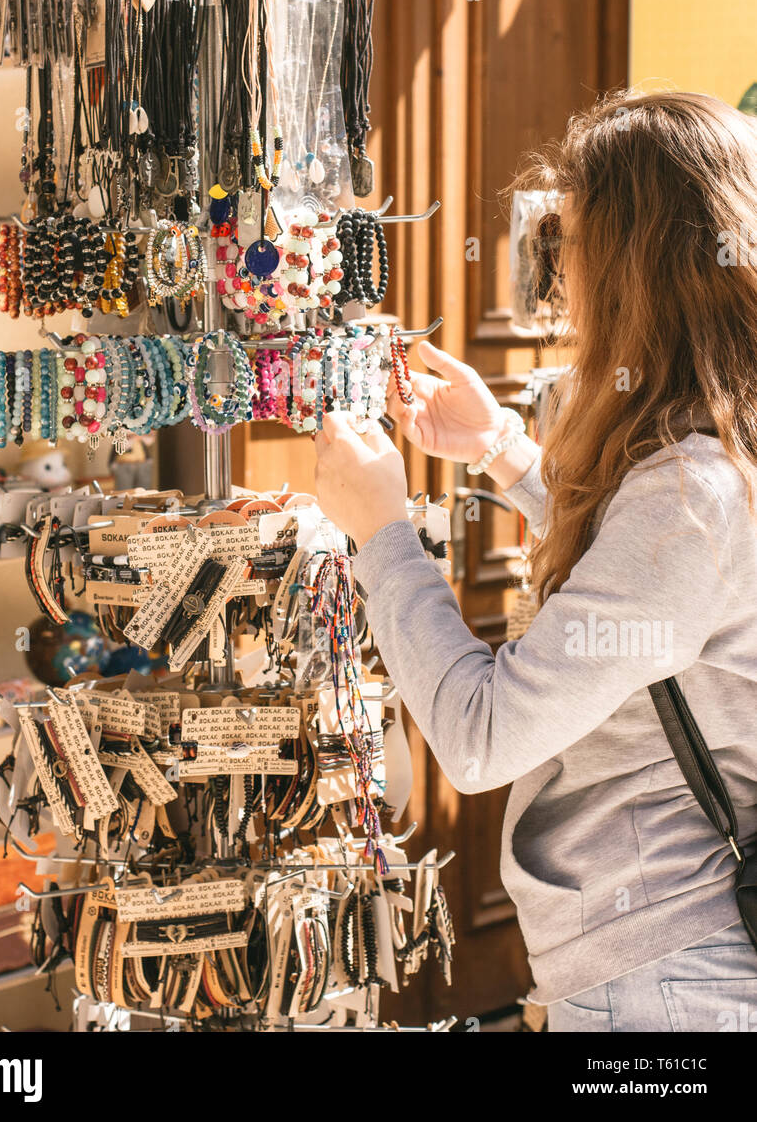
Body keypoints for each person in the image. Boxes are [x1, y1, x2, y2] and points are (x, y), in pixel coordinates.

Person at [314, 90, 757, 1032]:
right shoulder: (724, 456)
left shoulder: (694, 495)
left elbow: (481, 739)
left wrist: (382, 535)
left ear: (635, 265)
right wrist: (505, 453)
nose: (560, 279)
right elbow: (651, 606)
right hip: (669, 956)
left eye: (573, 243)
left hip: (663, 973)